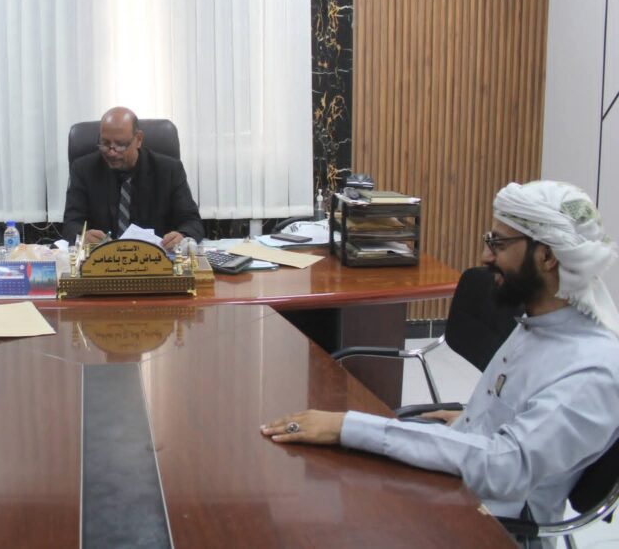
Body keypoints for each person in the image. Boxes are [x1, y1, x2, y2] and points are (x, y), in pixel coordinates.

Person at [261, 180, 619, 543]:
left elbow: (504, 467)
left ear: (547, 256)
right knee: (302, 501)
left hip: (494, 524)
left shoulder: (592, 369)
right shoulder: (540, 319)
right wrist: (473, 418)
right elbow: (518, 417)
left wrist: (347, 427)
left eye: (498, 244)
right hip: (460, 481)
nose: (485, 257)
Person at [62, 107, 205, 250]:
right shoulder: (83, 169)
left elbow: (192, 222)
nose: (111, 152)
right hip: (102, 258)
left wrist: (182, 236)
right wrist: (82, 236)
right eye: (105, 143)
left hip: (156, 258)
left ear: (139, 139)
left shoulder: (169, 170)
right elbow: (71, 224)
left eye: (120, 145)